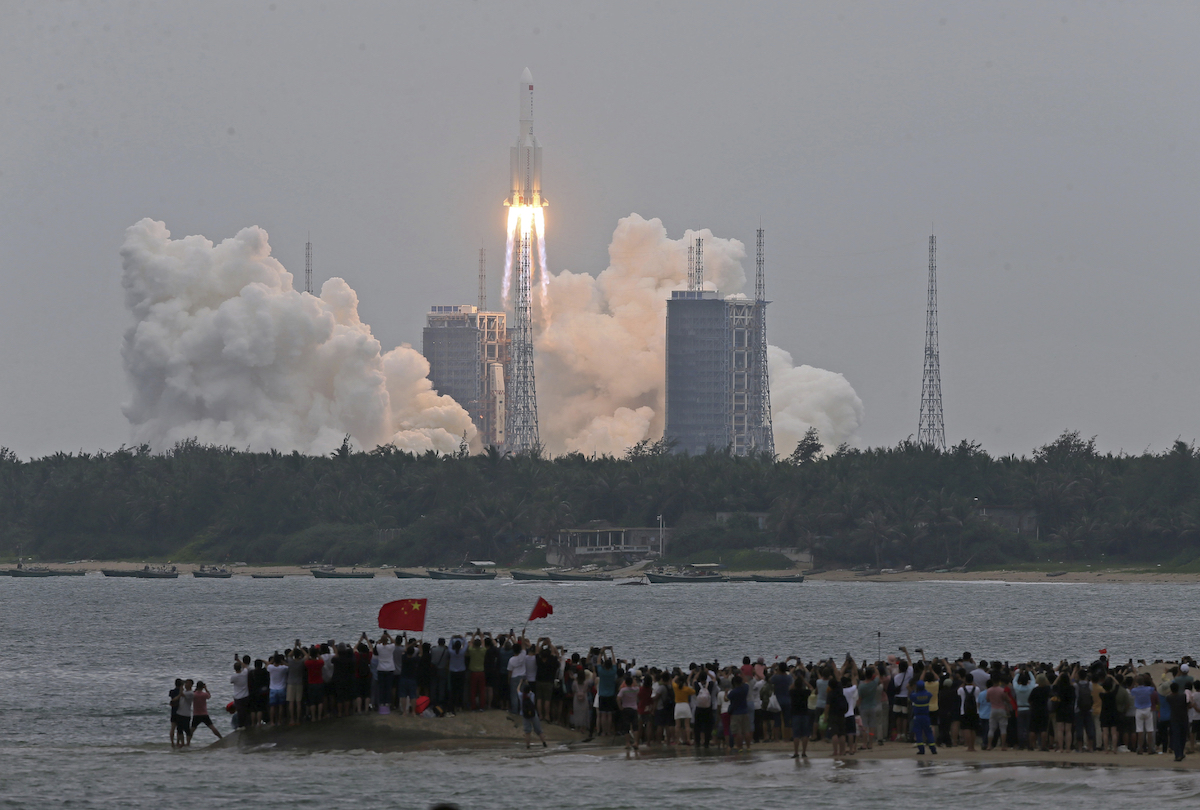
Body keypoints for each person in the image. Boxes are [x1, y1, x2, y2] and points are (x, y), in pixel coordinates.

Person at [910, 679, 937, 755]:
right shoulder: (928, 695)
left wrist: (913, 690)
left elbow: (911, 696)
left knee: (918, 733)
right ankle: (933, 749)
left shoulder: (915, 696)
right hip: (926, 716)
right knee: (929, 733)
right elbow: (930, 695)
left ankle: (921, 750)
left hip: (917, 717)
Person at [789, 670, 812, 758]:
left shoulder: (792, 692)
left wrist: (795, 681)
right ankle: (804, 752)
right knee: (805, 734)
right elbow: (811, 688)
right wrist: (804, 680)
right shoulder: (805, 692)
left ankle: (796, 752)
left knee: (796, 734)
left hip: (795, 714)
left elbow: (790, 688)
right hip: (805, 713)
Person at [1165, 682, 1189, 761]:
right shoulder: (1183, 696)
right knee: (1183, 736)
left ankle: (1178, 754)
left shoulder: (1169, 697)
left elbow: (1167, 697)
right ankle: (1181, 753)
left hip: (1174, 719)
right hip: (1184, 718)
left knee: (1176, 737)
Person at [617, 674, 641, 756]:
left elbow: (618, 698)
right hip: (634, 708)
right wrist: (634, 681)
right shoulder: (635, 689)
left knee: (626, 726)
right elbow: (638, 687)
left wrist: (620, 706)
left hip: (626, 708)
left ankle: (627, 743)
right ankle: (636, 742)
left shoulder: (623, 690)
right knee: (635, 727)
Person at [520, 681, 548, 749]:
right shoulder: (532, 695)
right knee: (539, 730)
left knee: (527, 731)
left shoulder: (521, 695)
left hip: (525, 714)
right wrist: (527, 683)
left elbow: (517, 690)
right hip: (533, 713)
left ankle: (528, 746)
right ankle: (544, 743)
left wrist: (520, 683)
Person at [728, 674, 751, 751]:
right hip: (745, 711)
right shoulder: (745, 688)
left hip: (736, 713)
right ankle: (748, 747)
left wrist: (725, 694)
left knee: (738, 732)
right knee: (746, 730)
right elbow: (746, 682)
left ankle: (740, 747)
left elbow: (727, 698)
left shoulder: (733, 692)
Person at [957, 677, 980, 752]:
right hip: (975, 711)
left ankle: (968, 746)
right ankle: (972, 746)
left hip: (964, 711)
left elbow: (958, 692)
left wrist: (963, 683)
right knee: (973, 729)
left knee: (966, 729)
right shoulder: (976, 689)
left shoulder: (961, 689)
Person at [267, 654, 289, 726]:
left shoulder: (271, 667)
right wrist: (282, 661)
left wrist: (272, 660)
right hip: (281, 688)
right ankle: (279, 721)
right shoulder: (283, 668)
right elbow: (289, 666)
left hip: (273, 689)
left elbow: (267, 665)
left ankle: (272, 722)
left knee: (272, 706)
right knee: (281, 706)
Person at [229, 659, 250, 730]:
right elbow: (246, 667)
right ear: (240, 667)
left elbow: (231, 682)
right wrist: (239, 660)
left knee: (240, 712)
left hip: (238, 696)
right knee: (246, 711)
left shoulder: (234, 677)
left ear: (234, 669)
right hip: (246, 695)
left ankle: (241, 725)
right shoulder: (244, 673)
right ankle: (247, 724)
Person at [176, 679, 195, 746]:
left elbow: (181, 694)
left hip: (186, 714)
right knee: (179, 729)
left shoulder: (191, 693)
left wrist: (181, 686)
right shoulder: (185, 691)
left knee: (187, 730)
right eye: (185, 683)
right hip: (179, 712)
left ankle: (188, 743)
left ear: (191, 685)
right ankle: (182, 743)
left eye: (187, 683)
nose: (186, 684)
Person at [168, 678, 183, 747]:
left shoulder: (171, 691)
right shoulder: (181, 692)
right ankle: (177, 742)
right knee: (179, 729)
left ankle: (172, 743)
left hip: (173, 711)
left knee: (172, 728)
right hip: (180, 711)